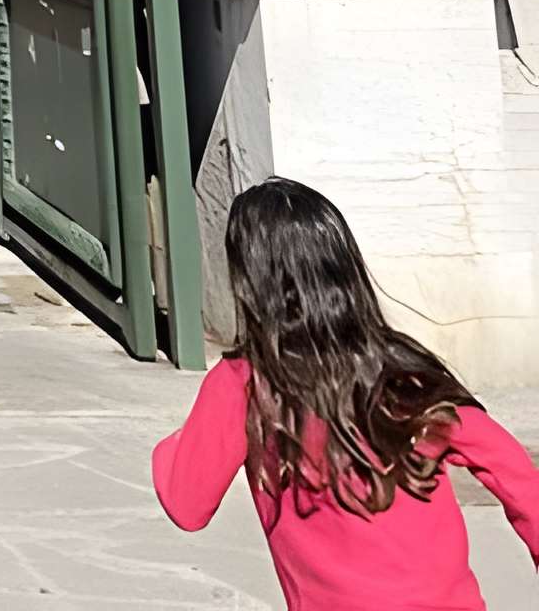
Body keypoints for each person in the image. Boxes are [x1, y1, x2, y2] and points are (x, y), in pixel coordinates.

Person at [153, 177, 539, 609]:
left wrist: (177, 444)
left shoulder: (243, 382)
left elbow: (187, 505)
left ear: (250, 280)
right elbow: (516, 473)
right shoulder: (404, 372)